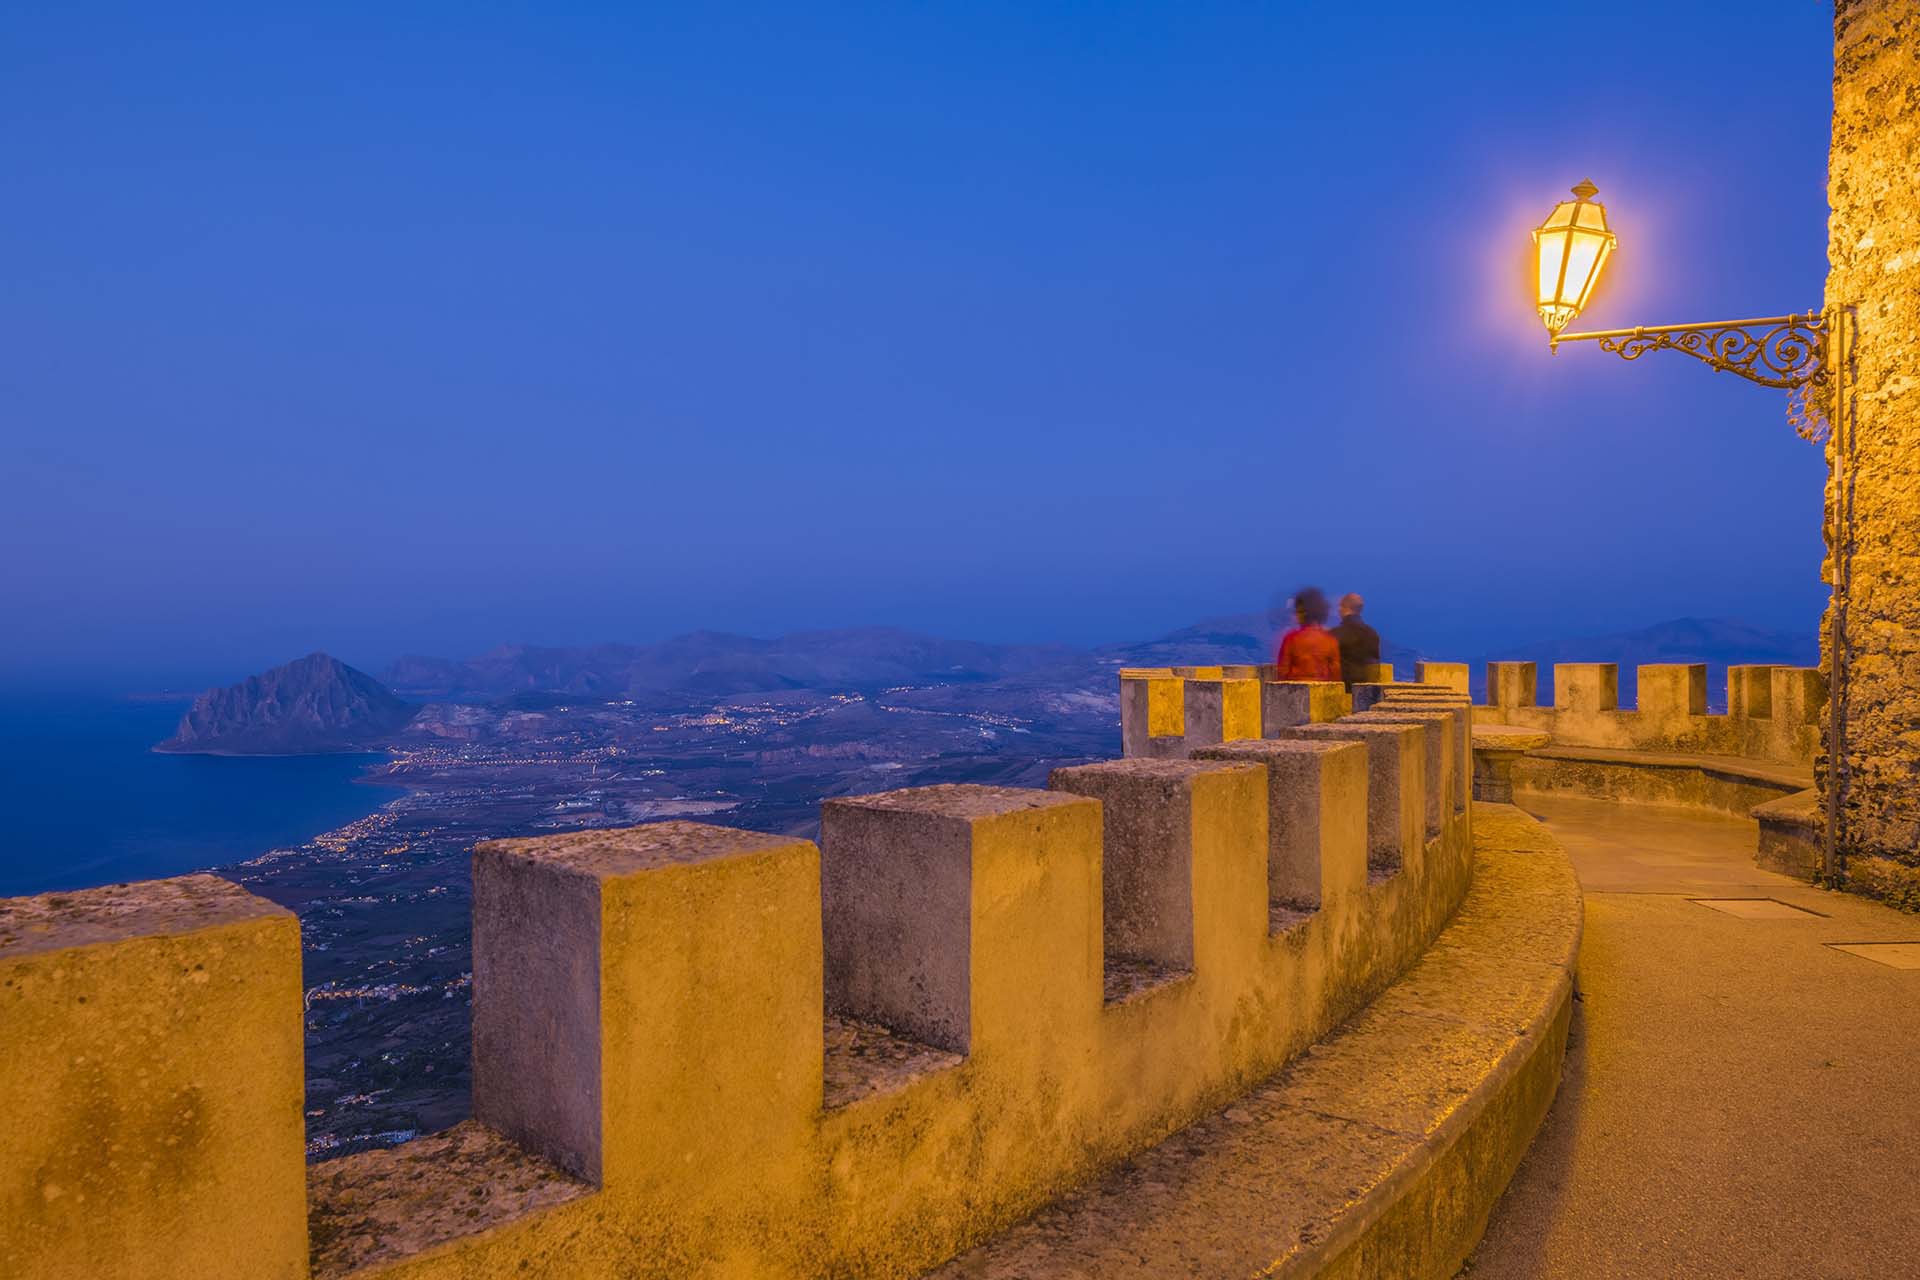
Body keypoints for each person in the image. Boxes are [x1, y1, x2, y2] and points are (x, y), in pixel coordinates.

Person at [1274, 587, 1342, 681]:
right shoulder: (1331, 640)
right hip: (1322, 687)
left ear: (1305, 613)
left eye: (1299, 612)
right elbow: (1335, 673)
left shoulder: (1291, 639)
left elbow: (1282, 671)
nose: (1296, 616)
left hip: (1296, 687)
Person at [1332, 592, 1381, 689]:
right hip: (1365, 690)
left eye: (1340, 607)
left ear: (1344, 607)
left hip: (1342, 689)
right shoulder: (1372, 634)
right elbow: (1375, 662)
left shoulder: (1335, 634)